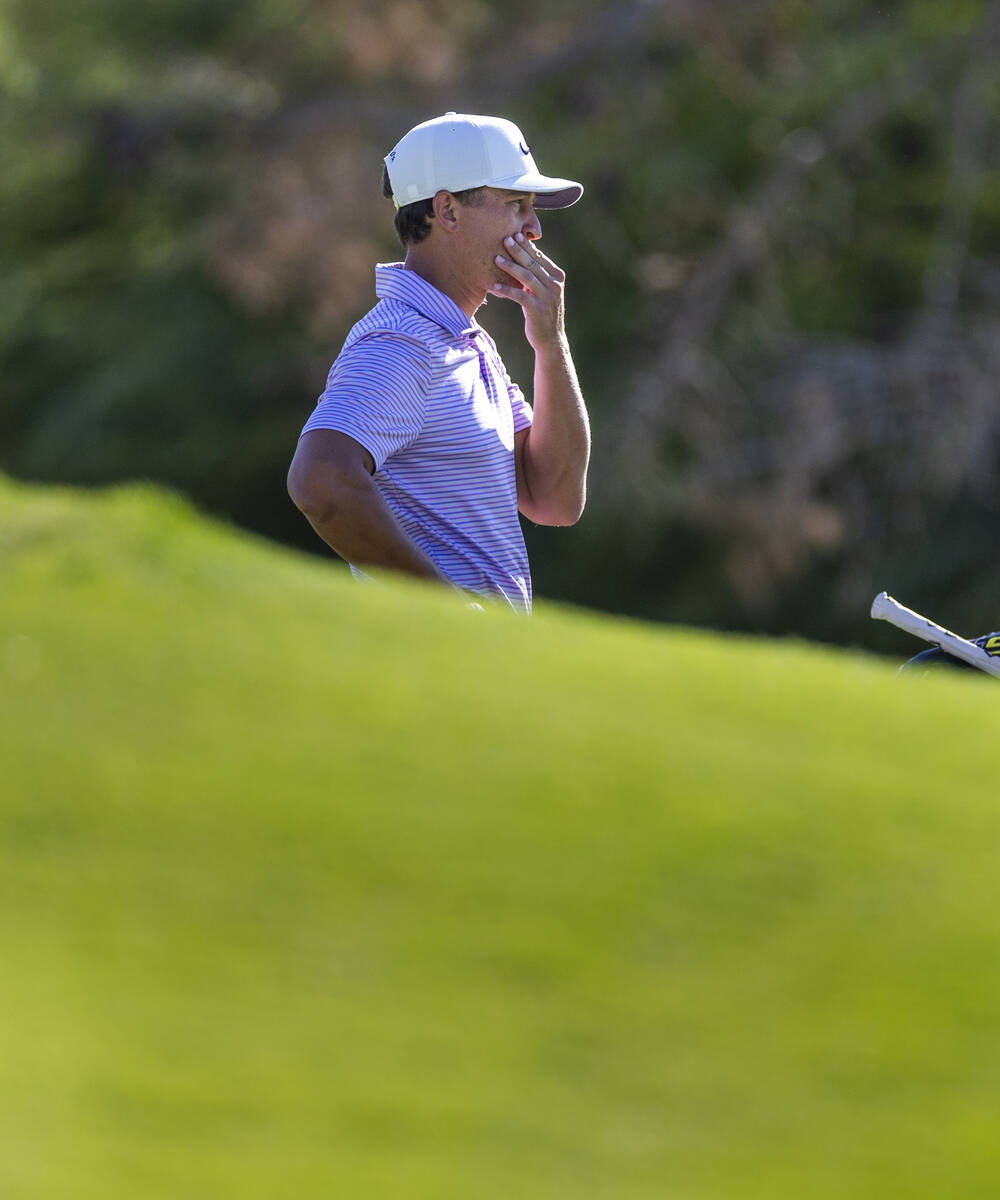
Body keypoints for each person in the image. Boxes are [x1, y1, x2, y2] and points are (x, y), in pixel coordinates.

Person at [287, 112, 590, 613]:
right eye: (516, 205)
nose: (534, 229)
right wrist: (445, 615)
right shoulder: (400, 342)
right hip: (433, 662)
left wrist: (551, 343)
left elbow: (554, 498)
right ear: (447, 211)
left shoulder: (466, 344)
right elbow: (320, 479)